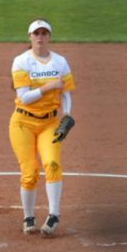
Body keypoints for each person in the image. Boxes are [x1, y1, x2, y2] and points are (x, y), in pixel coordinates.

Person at [9, 18, 75, 236]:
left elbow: (66, 93)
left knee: (53, 164)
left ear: (49, 37)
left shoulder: (60, 62)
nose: (40, 37)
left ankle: (53, 215)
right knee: (29, 172)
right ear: (29, 37)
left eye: (44, 33)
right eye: (36, 33)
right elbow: (24, 98)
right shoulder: (21, 62)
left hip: (49, 123)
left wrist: (67, 114)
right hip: (23, 123)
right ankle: (28, 217)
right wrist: (48, 87)